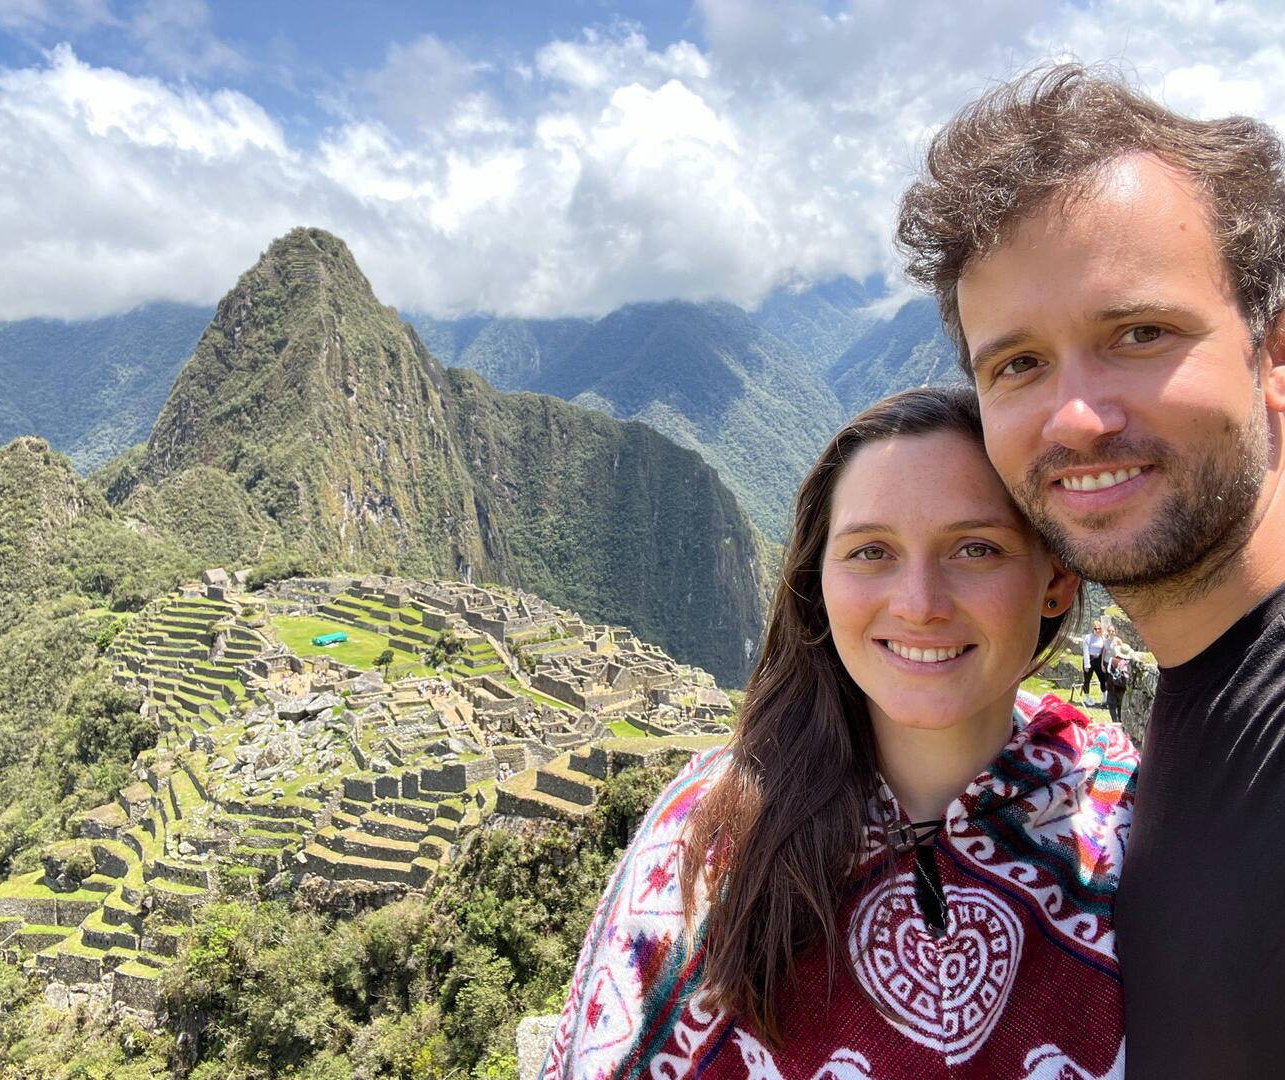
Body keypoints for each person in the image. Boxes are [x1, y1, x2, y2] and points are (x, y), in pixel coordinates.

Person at [542, 388, 1136, 1079]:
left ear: (1056, 579)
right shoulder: (704, 844)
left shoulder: (1135, 827)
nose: (919, 604)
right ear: (818, 582)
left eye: (976, 549)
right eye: (871, 552)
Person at [896, 64, 1285, 1078]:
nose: (1076, 419)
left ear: (1273, 354)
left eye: (1139, 333)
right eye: (1018, 364)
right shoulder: (1181, 722)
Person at [1081, 619, 1107, 704]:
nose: (1097, 630)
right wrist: (1087, 664)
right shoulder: (1088, 637)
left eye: (1099, 628)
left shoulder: (1102, 638)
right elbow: (1085, 651)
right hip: (1090, 659)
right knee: (1087, 679)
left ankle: (1105, 696)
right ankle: (1087, 697)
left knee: (1102, 678)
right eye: (1096, 628)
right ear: (1093, 629)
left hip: (1099, 660)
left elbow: (1105, 648)